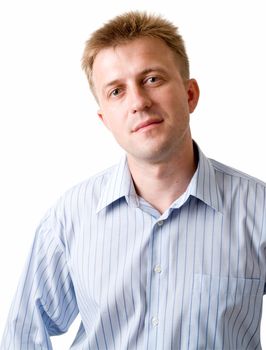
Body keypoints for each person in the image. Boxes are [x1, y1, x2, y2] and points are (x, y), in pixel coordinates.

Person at [1, 10, 266, 350]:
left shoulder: (257, 210)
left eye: (152, 79)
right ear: (104, 119)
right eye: (116, 91)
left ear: (190, 95)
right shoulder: (69, 218)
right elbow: (23, 336)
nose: (138, 102)